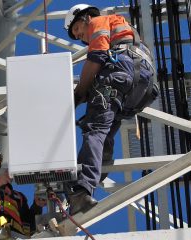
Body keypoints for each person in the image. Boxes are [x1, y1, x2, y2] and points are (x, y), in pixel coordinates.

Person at [64, 4, 156, 214]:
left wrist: (79, 93)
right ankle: (89, 180)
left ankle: (82, 190)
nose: (81, 37)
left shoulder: (98, 22)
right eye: (77, 36)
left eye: (78, 29)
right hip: (141, 86)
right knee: (104, 135)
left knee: (95, 131)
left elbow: (97, 56)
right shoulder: (125, 29)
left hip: (120, 74)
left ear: (87, 18)